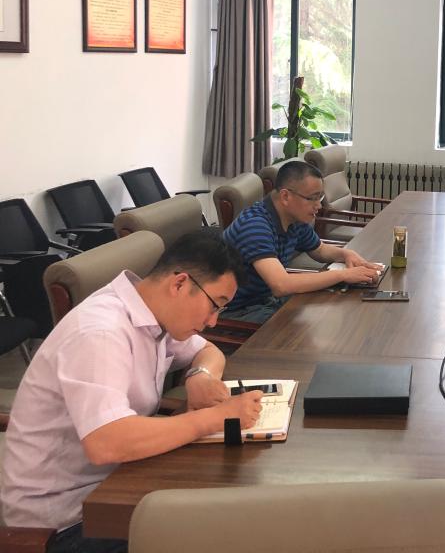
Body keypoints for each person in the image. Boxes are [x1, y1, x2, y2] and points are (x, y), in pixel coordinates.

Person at [0, 230, 264, 553]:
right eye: (215, 305)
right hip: (66, 521)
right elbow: (107, 442)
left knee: (234, 508)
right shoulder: (100, 332)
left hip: (117, 482)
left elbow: (209, 351)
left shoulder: (153, 312)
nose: (212, 321)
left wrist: (199, 375)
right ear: (180, 284)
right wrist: (215, 418)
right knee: (228, 529)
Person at [221, 160, 383, 323]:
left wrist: (346, 254)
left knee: (330, 307)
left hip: (265, 300)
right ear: (285, 196)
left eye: (320, 197)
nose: (318, 206)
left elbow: (319, 250)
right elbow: (281, 285)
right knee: (318, 323)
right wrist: (342, 275)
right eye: (312, 198)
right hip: (236, 312)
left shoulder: (294, 218)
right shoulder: (255, 226)